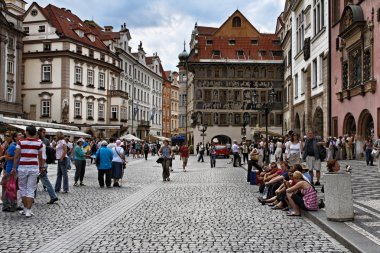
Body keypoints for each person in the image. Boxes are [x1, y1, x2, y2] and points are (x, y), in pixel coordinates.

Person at [12, 125, 43, 217]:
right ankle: (28, 210)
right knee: (31, 189)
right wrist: (41, 167)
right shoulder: (39, 143)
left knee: (23, 188)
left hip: (22, 168)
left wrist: (14, 168)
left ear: (27, 132)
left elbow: (16, 156)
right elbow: (40, 157)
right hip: (33, 168)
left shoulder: (21, 142)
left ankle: (26, 209)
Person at [37, 128, 59, 204]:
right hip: (41, 164)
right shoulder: (44, 141)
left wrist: (42, 166)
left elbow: (44, 154)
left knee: (44, 180)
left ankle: (53, 196)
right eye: (43, 132)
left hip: (41, 164)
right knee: (34, 181)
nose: (44, 133)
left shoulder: (43, 141)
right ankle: (32, 197)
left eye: (45, 132)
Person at [2, 132, 18, 212]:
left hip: (12, 169)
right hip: (10, 169)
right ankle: (7, 205)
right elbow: (8, 157)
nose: (6, 137)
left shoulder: (12, 145)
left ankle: (12, 204)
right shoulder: (12, 146)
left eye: (7, 136)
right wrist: (16, 157)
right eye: (5, 136)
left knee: (11, 187)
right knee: (9, 187)